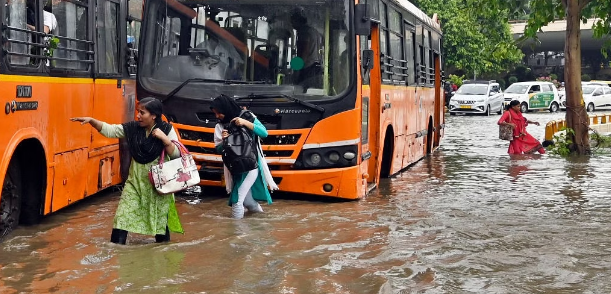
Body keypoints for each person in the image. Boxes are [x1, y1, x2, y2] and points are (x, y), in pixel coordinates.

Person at [70, 97, 184, 244]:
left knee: (160, 224)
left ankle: (162, 256)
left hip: (158, 187)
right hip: (134, 184)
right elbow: (111, 131)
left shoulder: (167, 130)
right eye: (138, 112)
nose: (138, 116)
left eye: (142, 113)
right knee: (121, 218)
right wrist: (92, 121)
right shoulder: (132, 128)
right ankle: (117, 251)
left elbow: (176, 155)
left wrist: (165, 140)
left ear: (153, 115)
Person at [211, 95, 278, 219]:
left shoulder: (247, 116)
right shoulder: (219, 126)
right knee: (249, 203)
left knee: (237, 200)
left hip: (250, 164)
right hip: (235, 167)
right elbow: (219, 149)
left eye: (219, 113)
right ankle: (264, 222)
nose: (217, 116)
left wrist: (245, 123)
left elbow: (264, 133)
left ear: (226, 109)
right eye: (215, 113)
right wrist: (224, 140)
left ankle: (237, 235)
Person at [290, 7, 323, 89]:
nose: (292, 25)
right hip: (316, 67)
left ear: (297, 21)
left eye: (292, 22)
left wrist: (297, 70)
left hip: (307, 68)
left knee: (301, 92)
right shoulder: (314, 31)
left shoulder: (303, 32)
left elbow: (304, 51)